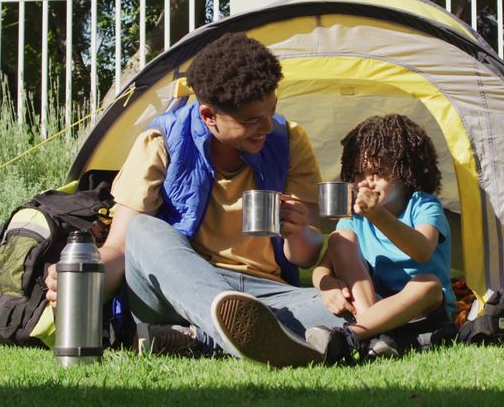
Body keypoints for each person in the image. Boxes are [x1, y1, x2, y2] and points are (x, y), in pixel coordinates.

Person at [46, 32, 343, 368]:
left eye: (271, 111)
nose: (265, 127)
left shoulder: (290, 140)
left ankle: (200, 339)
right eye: (249, 120)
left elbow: (304, 256)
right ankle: (243, 329)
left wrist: (296, 231)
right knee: (143, 229)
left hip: (264, 293)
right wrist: (86, 276)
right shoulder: (162, 140)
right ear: (208, 115)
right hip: (177, 287)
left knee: (359, 304)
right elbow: (122, 247)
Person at [305, 114, 454, 361]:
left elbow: (422, 249)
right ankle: (377, 337)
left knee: (428, 284)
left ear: (407, 171)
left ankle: (349, 337)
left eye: (378, 172)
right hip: (374, 304)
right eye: (357, 173)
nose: (366, 182)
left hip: (423, 311)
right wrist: (327, 285)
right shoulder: (354, 217)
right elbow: (321, 268)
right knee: (340, 238)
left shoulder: (423, 205)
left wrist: (376, 215)